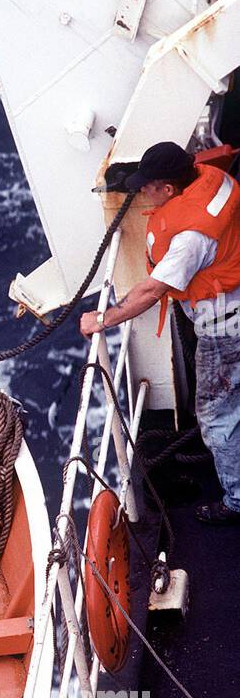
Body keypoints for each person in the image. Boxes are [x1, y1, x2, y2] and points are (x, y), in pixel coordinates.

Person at [80, 140, 240, 524]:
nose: (142, 191)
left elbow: (152, 290)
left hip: (225, 330)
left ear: (168, 189)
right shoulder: (212, 179)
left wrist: (103, 320)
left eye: (147, 185)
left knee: (215, 416)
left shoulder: (189, 239)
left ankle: (236, 500)